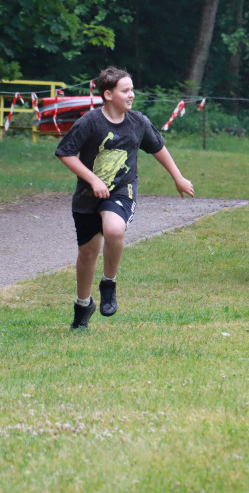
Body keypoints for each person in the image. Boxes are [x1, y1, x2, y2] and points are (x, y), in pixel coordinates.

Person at [56, 66, 194, 330]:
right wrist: (93, 179)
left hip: (122, 190)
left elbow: (158, 148)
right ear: (108, 94)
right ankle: (83, 305)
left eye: (132, 89)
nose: (131, 95)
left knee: (114, 229)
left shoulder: (138, 122)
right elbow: (66, 153)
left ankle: (109, 283)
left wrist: (178, 177)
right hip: (87, 196)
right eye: (125, 90)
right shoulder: (89, 122)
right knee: (87, 254)